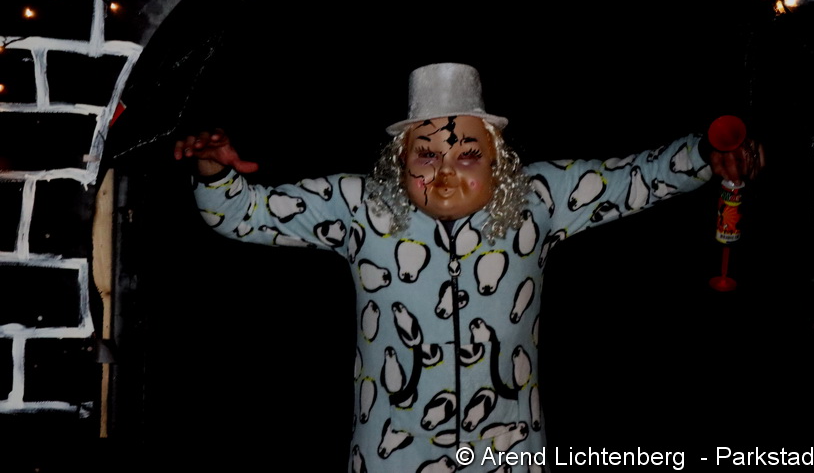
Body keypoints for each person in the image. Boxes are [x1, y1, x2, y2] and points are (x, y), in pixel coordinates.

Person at [176, 62, 761, 472]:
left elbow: (638, 178)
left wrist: (707, 156)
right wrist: (214, 172)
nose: (445, 173)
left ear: (497, 160)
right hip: (390, 459)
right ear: (401, 159)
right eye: (427, 154)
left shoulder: (537, 200)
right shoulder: (360, 209)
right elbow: (243, 215)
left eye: (467, 155)